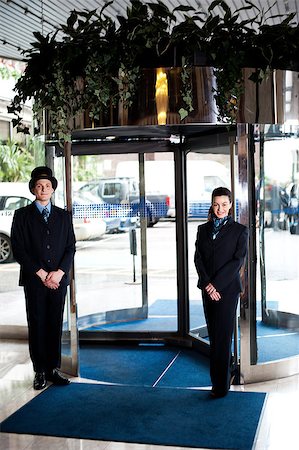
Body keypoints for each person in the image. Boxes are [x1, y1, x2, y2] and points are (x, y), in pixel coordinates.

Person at [11, 166, 76, 390]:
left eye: (48, 186)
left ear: (53, 189)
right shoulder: (22, 216)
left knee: (55, 323)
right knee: (37, 323)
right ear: (33, 189)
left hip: (58, 280)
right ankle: (39, 370)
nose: (44, 189)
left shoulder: (64, 216)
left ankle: (53, 368)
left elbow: (71, 247)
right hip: (34, 280)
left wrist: (59, 273)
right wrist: (40, 273)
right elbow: (18, 249)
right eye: (39, 186)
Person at [194, 187, 248, 398]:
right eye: (216, 204)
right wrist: (208, 285)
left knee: (224, 338)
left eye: (224, 204)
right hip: (208, 291)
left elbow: (238, 262)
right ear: (212, 204)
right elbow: (198, 259)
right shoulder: (202, 229)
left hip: (227, 291)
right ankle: (218, 381)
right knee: (215, 337)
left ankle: (220, 386)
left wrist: (216, 285)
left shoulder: (240, 230)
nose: (220, 209)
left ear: (231, 205)